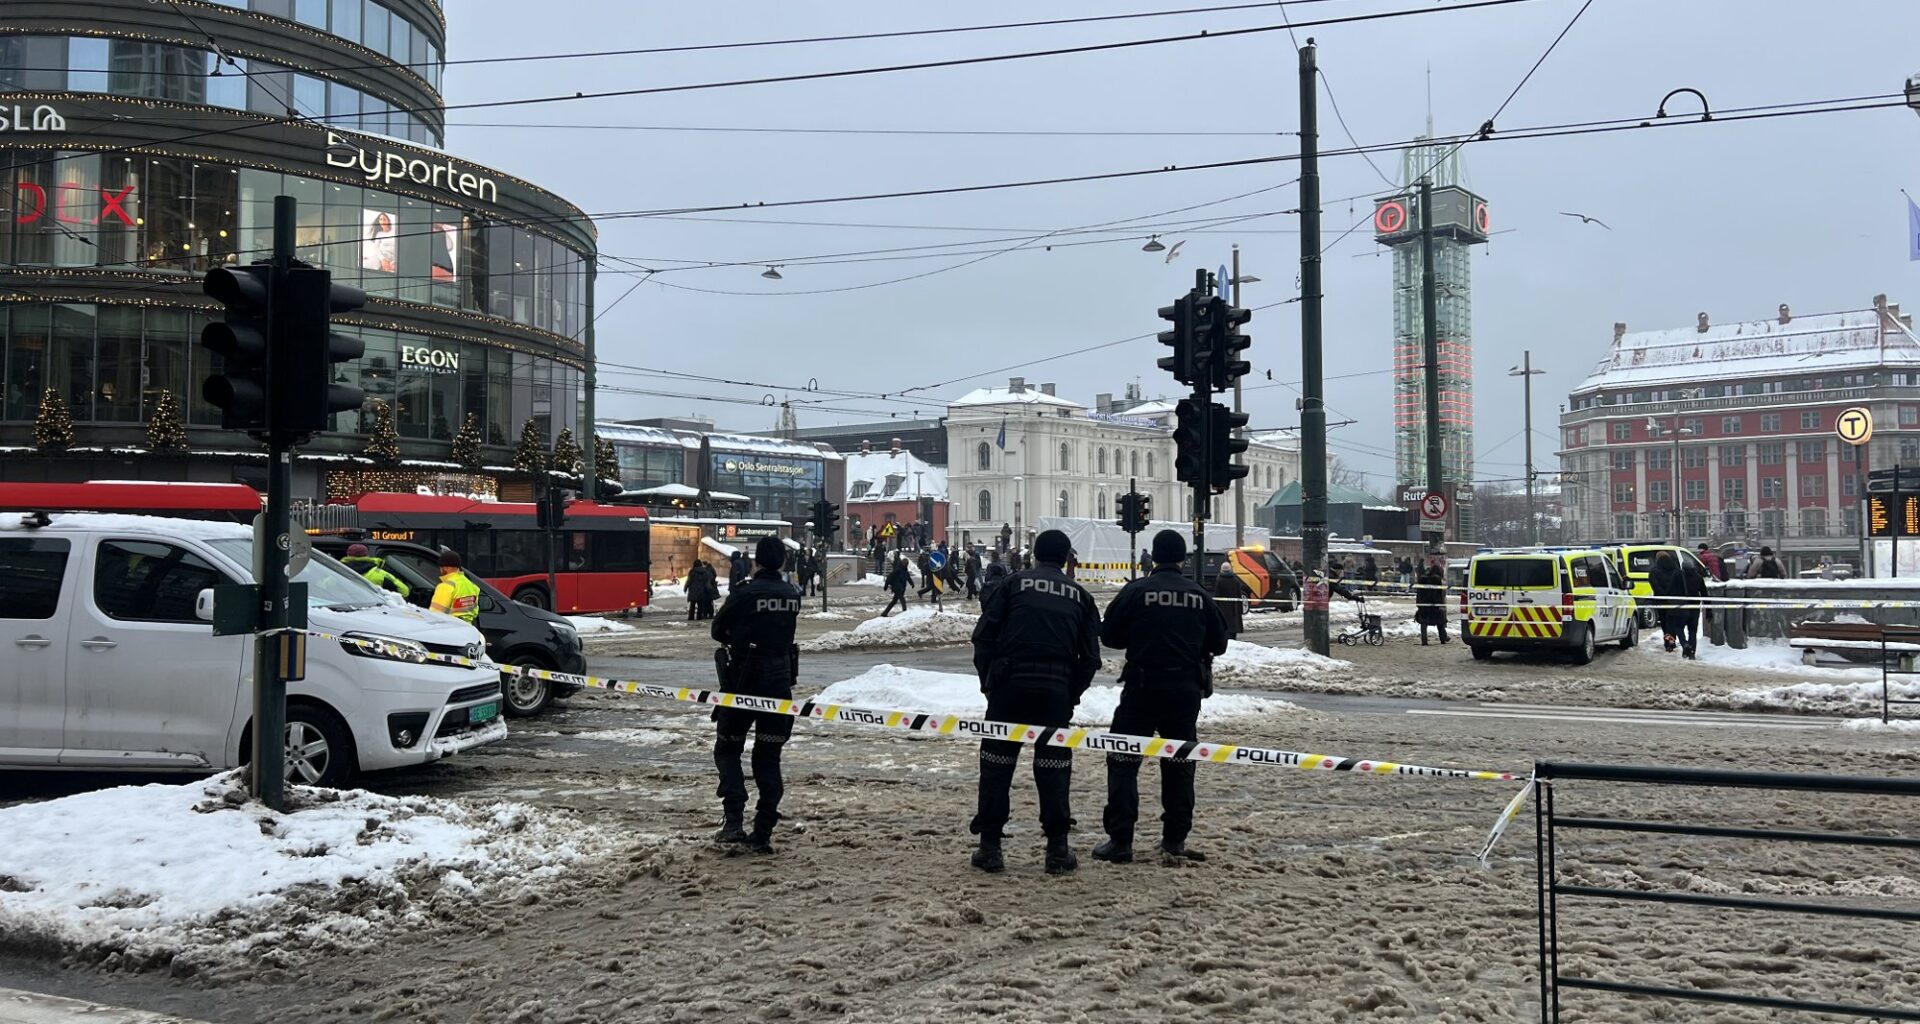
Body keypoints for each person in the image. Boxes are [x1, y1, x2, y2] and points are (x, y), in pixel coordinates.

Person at [968, 529, 1101, 875]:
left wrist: (990, 685)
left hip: (1009, 688)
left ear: (1036, 555)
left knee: (996, 766)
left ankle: (991, 848)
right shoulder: (1081, 596)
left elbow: (983, 636)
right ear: (1064, 558)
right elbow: (1090, 659)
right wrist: (1070, 695)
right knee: (1054, 769)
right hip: (1055, 693)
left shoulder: (1012, 586)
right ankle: (1057, 850)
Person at [1093, 530, 1228, 864]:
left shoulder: (1137, 591)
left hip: (1142, 688)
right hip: (1184, 692)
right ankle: (1174, 839)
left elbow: (1109, 634)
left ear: (1152, 557)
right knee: (1180, 764)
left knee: (1123, 761)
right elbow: (1220, 643)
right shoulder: (1199, 595)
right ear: (1182, 559)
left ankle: (1121, 840)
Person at [708, 536, 802, 854]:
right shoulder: (792, 594)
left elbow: (717, 629)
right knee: (768, 759)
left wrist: (739, 635)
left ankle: (733, 822)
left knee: (727, 750)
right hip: (778, 687)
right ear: (784, 563)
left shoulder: (745, 593)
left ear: (756, 562)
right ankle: (763, 832)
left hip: (741, 686)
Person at [1648, 551, 1691, 654]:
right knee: (1672, 623)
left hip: (1661, 600)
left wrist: (1663, 595)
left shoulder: (1654, 571)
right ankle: (1672, 641)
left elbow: (1655, 585)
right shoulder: (1676, 568)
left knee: (1664, 623)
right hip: (1675, 600)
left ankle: (1668, 643)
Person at [428, 550, 480, 624]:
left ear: (445, 568)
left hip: (450, 628)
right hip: (468, 628)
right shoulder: (472, 585)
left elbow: (435, 614)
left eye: (440, 567)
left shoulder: (445, 586)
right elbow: (475, 612)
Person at [342, 543, 410, 600]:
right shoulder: (380, 574)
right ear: (367, 555)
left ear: (348, 555)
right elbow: (404, 591)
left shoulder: (337, 572)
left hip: (343, 612)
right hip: (374, 611)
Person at [1414, 559, 1450, 645]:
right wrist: (1440, 604)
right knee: (1440, 622)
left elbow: (1419, 593)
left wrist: (1418, 603)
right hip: (1434, 605)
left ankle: (1424, 640)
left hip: (1423, 605)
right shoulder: (1437, 581)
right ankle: (1443, 638)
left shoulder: (1422, 580)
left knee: (1423, 623)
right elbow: (1439, 594)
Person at [1212, 556, 1245, 640]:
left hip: (1223, 608)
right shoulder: (1235, 580)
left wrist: (1215, 609)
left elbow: (1217, 595)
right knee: (1233, 629)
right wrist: (1240, 609)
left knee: (1224, 627)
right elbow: (1239, 594)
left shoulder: (1219, 580)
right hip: (1234, 608)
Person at [882, 551, 913, 616]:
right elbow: (890, 577)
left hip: (901, 588)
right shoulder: (898, 570)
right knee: (902, 599)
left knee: (894, 601)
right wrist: (886, 585)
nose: (905, 565)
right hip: (897, 587)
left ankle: (884, 613)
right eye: (905, 563)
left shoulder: (904, 570)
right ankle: (905, 612)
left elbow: (908, 577)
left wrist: (912, 583)